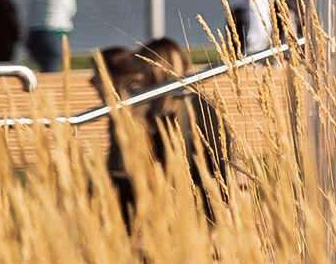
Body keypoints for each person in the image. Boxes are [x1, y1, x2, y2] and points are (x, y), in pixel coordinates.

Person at [100, 40, 237, 231]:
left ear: (153, 70)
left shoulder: (168, 113)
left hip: (189, 207)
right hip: (202, 201)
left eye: (142, 70)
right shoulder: (194, 105)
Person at [25, 0, 75, 73]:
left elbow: (31, 14)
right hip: (56, 32)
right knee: (51, 68)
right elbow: (71, 11)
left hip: (35, 33)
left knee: (42, 66)